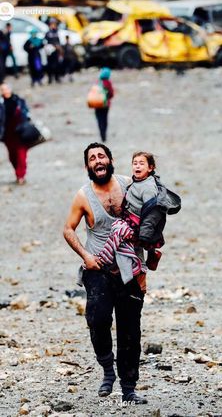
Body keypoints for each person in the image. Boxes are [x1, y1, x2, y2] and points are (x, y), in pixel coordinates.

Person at [63, 142, 148, 405]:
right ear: (87, 166)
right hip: (98, 267)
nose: (98, 161)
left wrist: (144, 267)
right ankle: (107, 370)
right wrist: (85, 256)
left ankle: (129, 388)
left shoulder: (129, 186)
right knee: (98, 319)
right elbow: (68, 229)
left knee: (130, 329)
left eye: (102, 156)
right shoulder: (83, 196)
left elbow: (149, 222)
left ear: (111, 160)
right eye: (92, 159)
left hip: (129, 270)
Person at [93, 151, 181, 284]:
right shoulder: (137, 181)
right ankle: (140, 260)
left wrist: (144, 235)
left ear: (150, 168)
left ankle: (106, 259)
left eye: (141, 164)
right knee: (117, 231)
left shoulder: (148, 188)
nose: (137, 166)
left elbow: (153, 212)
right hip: (130, 220)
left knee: (117, 231)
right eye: (135, 163)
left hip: (139, 226)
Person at [0, 83, 30, 184]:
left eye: (5, 89)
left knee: (21, 154)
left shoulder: (18, 101)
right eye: (2, 90)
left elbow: (26, 113)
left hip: (20, 132)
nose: (4, 91)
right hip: (7, 134)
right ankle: (18, 173)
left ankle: (20, 175)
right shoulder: (1, 103)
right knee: (12, 156)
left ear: (9, 89)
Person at [94, 67, 114, 142]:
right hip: (105, 105)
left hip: (96, 104)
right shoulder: (108, 82)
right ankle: (104, 135)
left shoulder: (97, 82)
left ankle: (101, 134)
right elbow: (111, 94)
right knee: (104, 119)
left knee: (99, 119)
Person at [44, 20, 62, 84]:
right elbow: (45, 42)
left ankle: (57, 78)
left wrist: (59, 48)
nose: (53, 26)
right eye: (52, 24)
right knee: (50, 66)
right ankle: (50, 78)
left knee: (57, 65)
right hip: (50, 52)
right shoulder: (48, 33)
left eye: (54, 24)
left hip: (56, 52)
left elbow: (58, 42)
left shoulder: (56, 33)